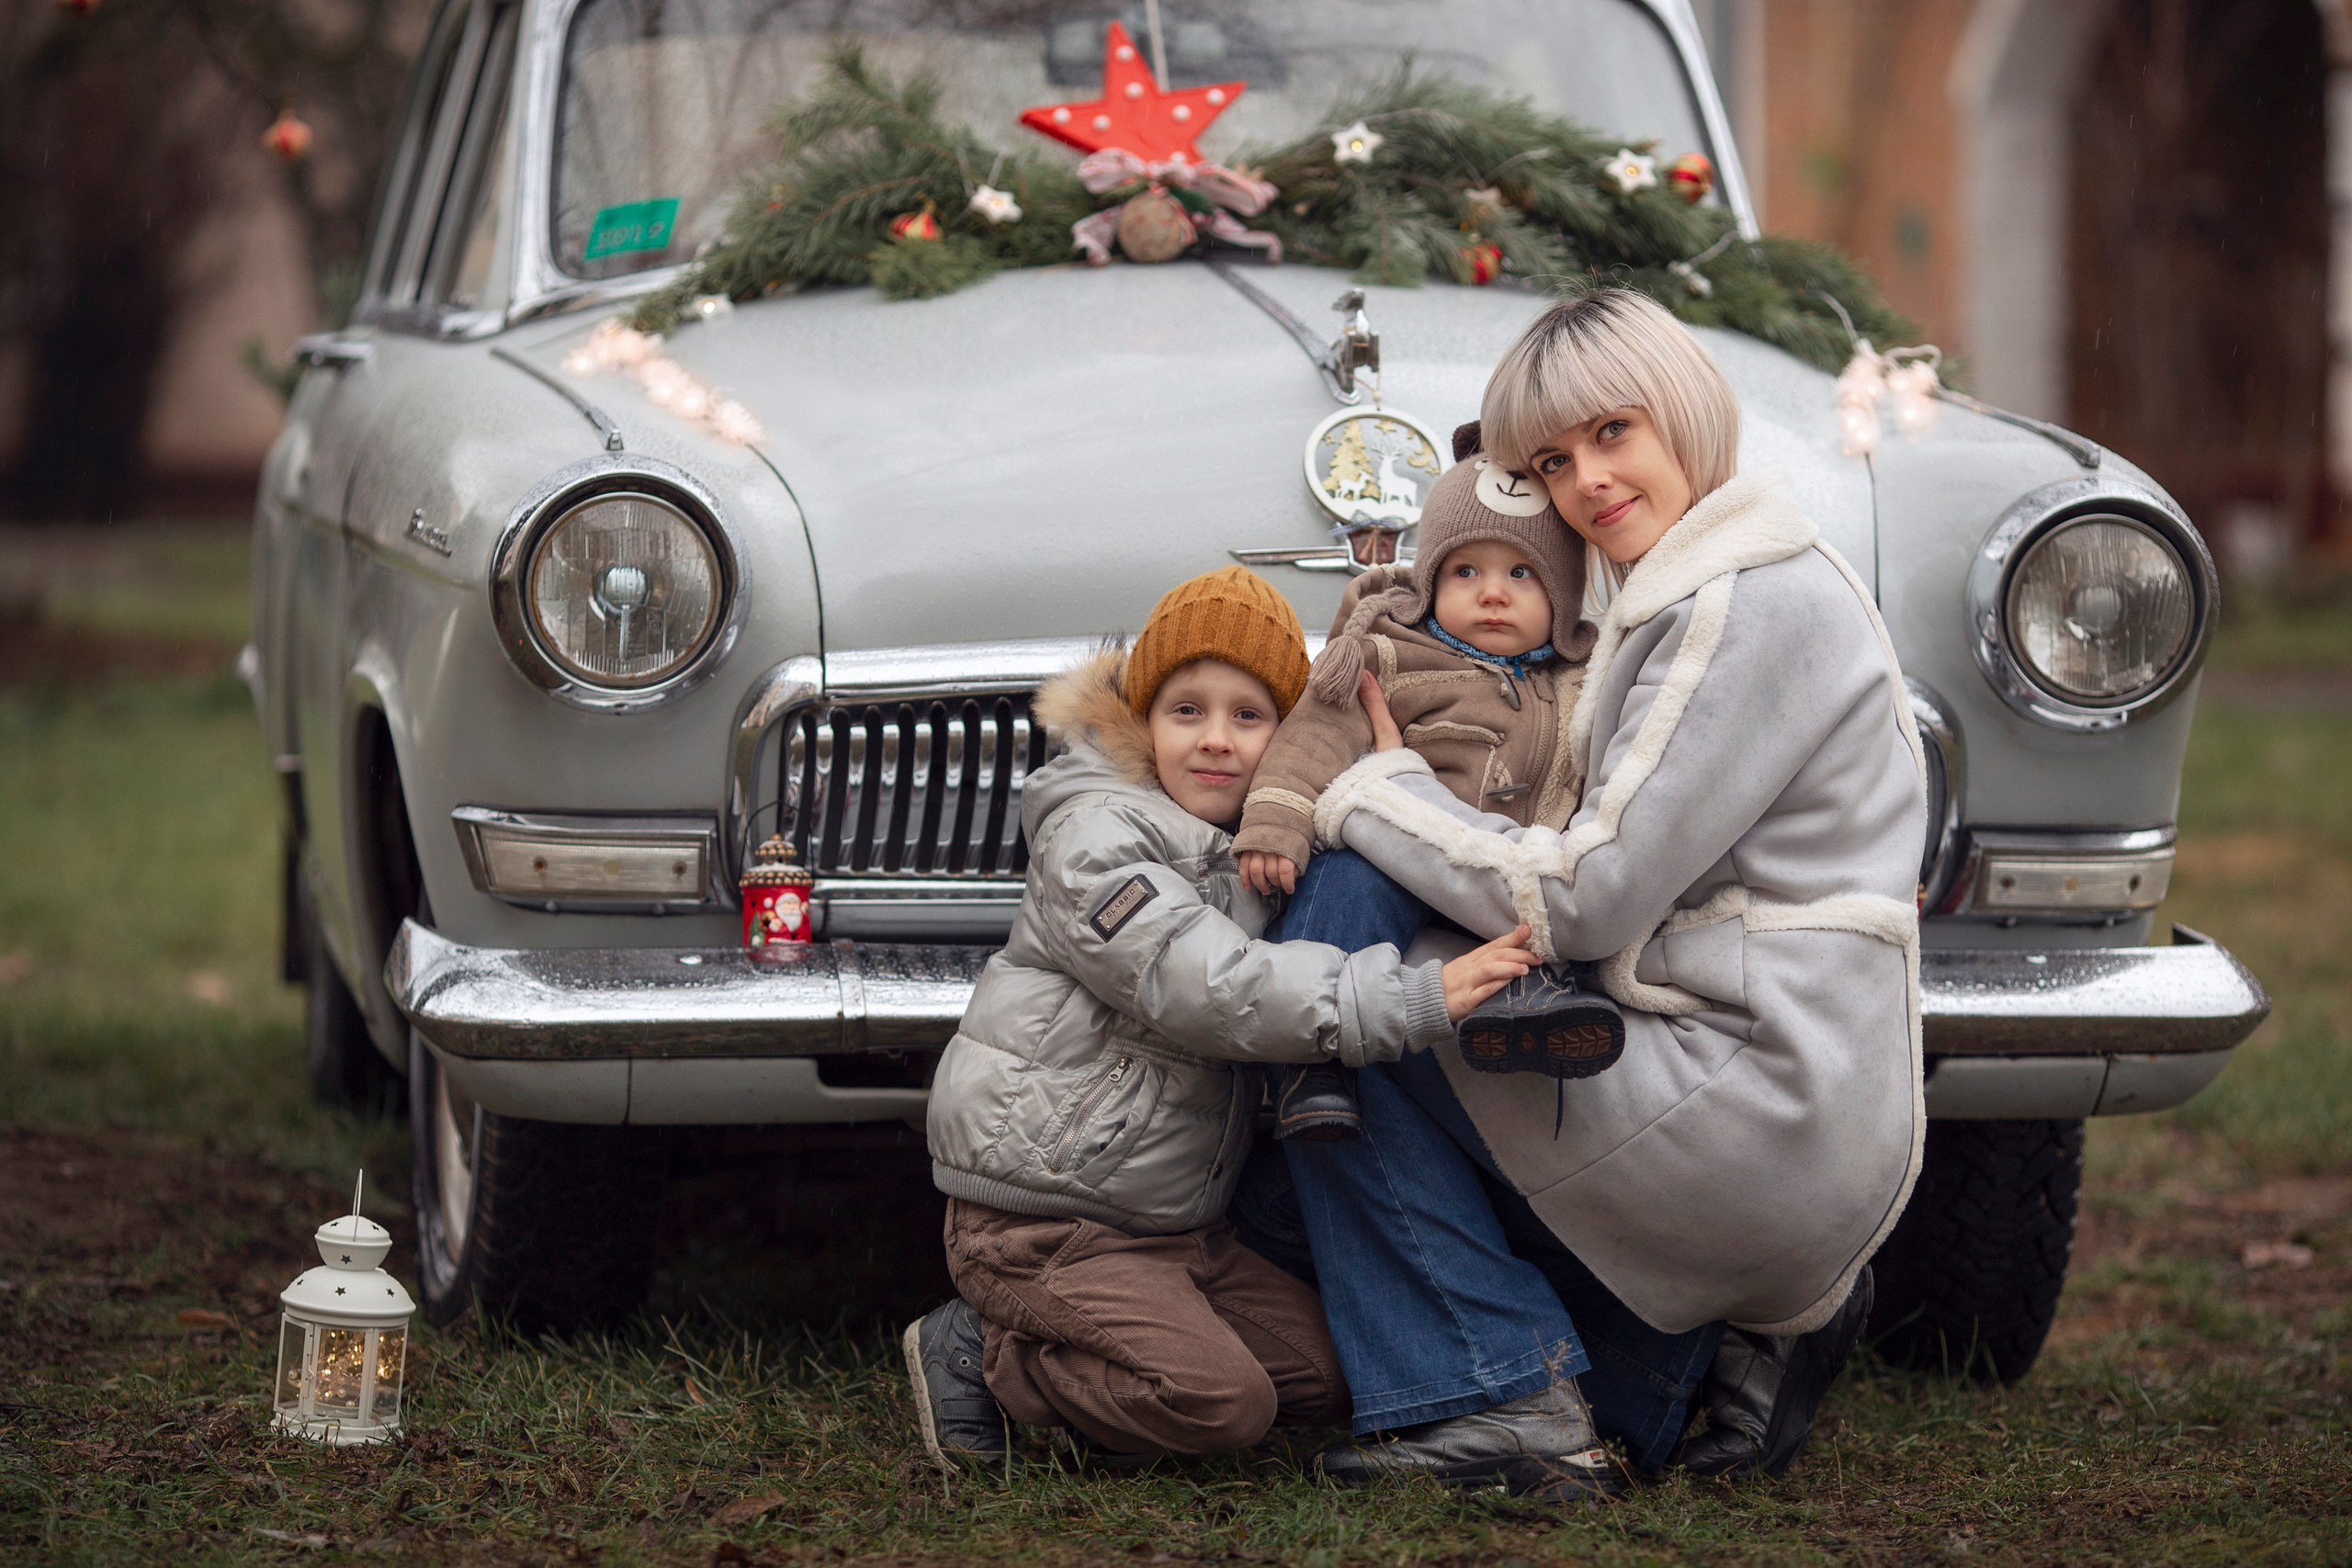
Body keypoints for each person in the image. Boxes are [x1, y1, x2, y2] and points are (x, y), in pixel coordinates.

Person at [1236, 288, 1928, 1499]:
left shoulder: (1734, 599)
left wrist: (1377, 785)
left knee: (1359, 1002)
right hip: (1777, 1072)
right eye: (1553, 462)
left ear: (1682, 411)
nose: (1586, 483)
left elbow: (1594, 895)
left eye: (1613, 433)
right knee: (1297, 1149)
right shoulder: (1714, 577)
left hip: (1760, 1090)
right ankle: (1664, 1374)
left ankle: (1499, 1392)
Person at [903, 566, 1541, 1472]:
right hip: (1047, 1218)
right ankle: (991, 1353)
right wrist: (1408, 999)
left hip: (1178, 1229)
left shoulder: (1257, 847)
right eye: (1185, 711)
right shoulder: (1095, 835)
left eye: (1250, 716)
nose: (1215, 742)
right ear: (1140, 721)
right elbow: (1201, 984)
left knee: (1324, 1380)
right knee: (1222, 1405)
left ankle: (1105, 1340)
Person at [1233, 439, 1625, 1144]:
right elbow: (1314, 735)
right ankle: (1307, 1065)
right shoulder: (1392, 653)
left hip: (1499, 876)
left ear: (1565, 598)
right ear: (1428, 581)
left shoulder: (1583, 680)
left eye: (1524, 574)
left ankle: (1538, 1018)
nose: (1492, 591)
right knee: (1343, 887)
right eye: (1465, 569)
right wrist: (1275, 821)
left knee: (1542, 921)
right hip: (1394, 860)